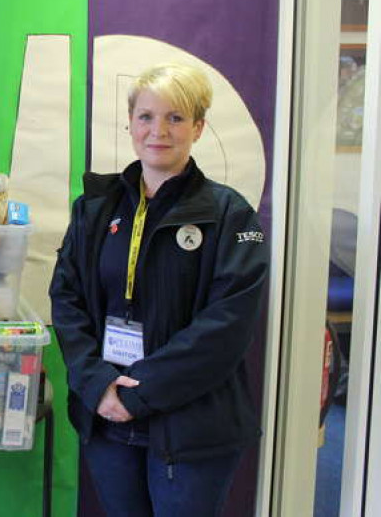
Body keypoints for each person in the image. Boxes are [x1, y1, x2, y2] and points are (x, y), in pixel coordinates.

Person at [49, 63, 268, 516]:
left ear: (199, 127)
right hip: (108, 417)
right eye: (146, 116)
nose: (158, 131)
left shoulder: (229, 214)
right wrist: (98, 385)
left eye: (175, 117)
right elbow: (67, 301)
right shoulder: (95, 208)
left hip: (191, 427)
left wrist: (138, 394)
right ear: (129, 123)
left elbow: (225, 328)